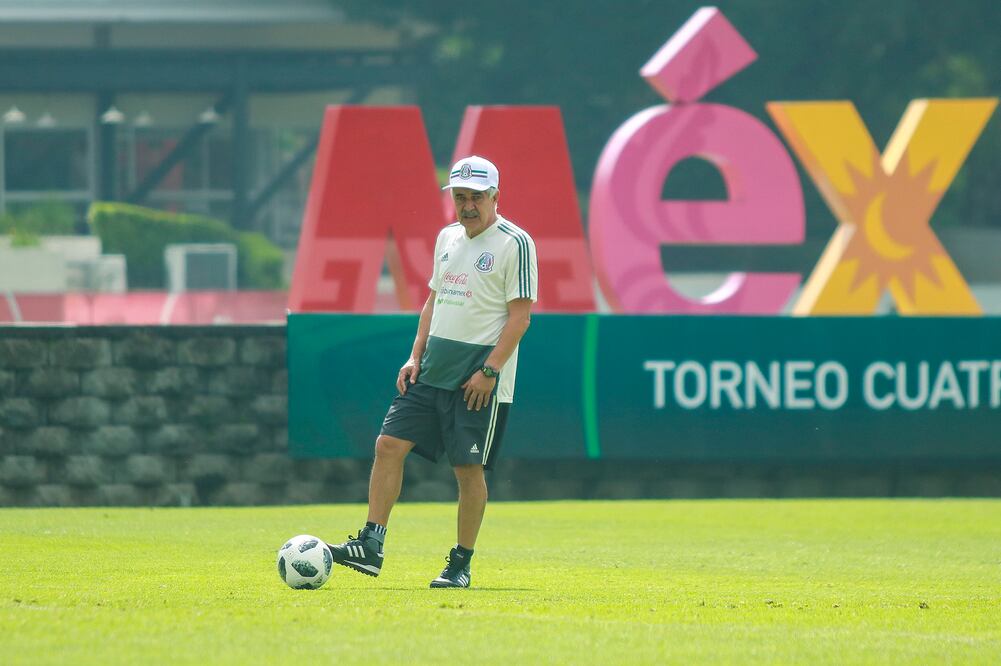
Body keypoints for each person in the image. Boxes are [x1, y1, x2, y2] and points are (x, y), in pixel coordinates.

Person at [326, 155, 538, 588]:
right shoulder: (447, 238)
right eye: (460, 197)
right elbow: (432, 303)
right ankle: (371, 545)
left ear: (495, 195)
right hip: (431, 372)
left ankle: (460, 564)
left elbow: (520, 318)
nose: (468, 206)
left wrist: (490, 371)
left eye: (476, 197)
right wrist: (414, 356)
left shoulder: (515, 243)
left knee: (467, 472)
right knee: (387, 445)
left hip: (478, 381)